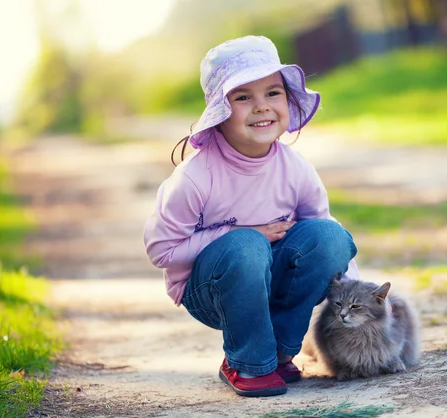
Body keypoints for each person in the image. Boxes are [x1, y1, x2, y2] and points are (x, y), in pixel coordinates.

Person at [143, 35, 360, 397]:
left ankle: (277, 351)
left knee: (331, 237)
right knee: (246, 245)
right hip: (213, 290)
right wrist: (248, 231)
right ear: (220, 112)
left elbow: (324, 233)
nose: (261, 107)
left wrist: (358, 292)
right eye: (243, 97)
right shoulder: (196, 177)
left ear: (287, 101)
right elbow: (161, 251)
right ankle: (246, 361)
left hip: (274, 281)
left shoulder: (295, 169)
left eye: (273, 93)